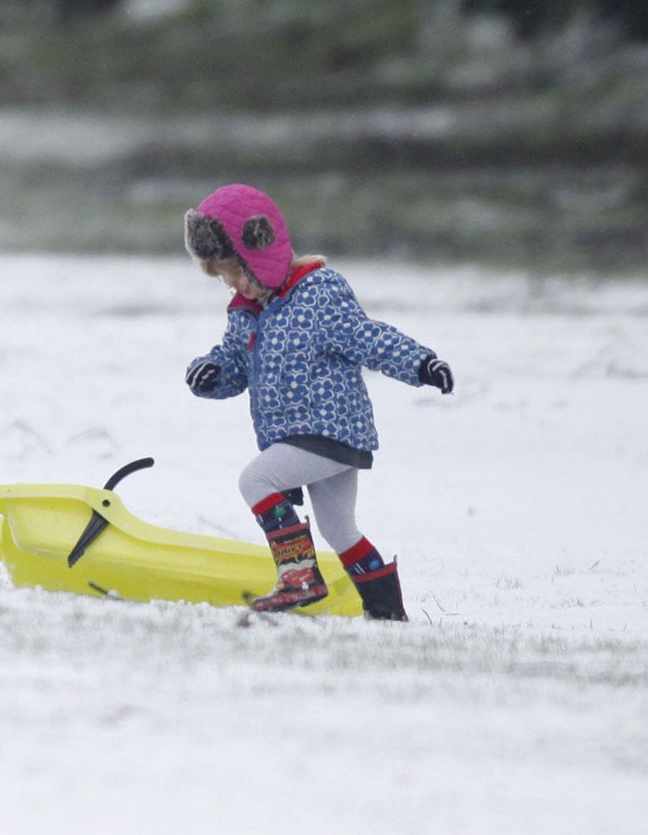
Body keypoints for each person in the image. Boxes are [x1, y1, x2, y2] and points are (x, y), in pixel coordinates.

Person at [182, 183, 453, 618]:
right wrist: (210, 374)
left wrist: (420, 363)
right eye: (222, 278)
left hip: (329, 429)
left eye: (235, 272)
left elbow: (367, 336)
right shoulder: (246, 313)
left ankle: (299, 576)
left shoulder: (319, 292)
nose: (233, 285)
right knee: (339, 528)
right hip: (303, 437)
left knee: (256, 481)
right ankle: (387, 611)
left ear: (259, 252)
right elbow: (234, 364)